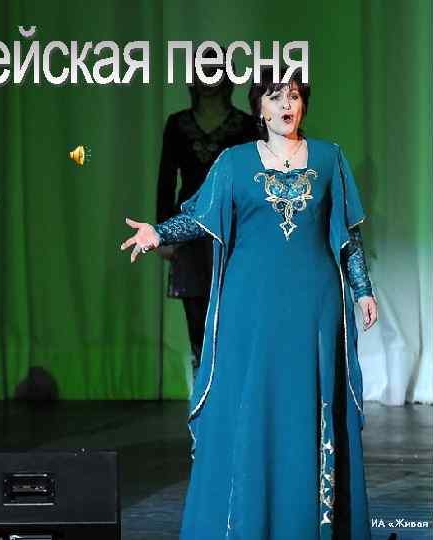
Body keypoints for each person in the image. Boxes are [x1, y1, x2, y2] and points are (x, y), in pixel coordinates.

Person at [121, 67, 378, 538]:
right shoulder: (235, 163)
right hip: (250, 310)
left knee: (306, 406)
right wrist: (157, 232)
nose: (287, 105)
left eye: (294, 96)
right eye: (276, 97)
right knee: (252, 405)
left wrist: (362, 289)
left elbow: (349, 233)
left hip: (315, 309)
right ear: (259, 108)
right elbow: (199, 216)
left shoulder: (329, 158)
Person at [156, 51, 257, 368]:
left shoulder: (246, 125)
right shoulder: (177, 124)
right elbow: (166, 180)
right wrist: (163, 232)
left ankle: (231, 384)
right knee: (197, 318)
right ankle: (204, 387)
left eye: (216, 69)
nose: (210, 75)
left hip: (233, 230)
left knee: (233, 312)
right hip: (189, 230)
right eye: (204, 69)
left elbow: (253, 182)